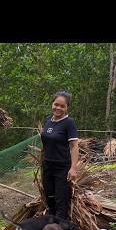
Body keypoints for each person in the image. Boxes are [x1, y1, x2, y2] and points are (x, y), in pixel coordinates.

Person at [40, 90, 80, 221]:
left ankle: (59, 228)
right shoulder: (48, 120)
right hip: (47, 165)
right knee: (49, 195)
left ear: (67, 107)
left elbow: (74, 146)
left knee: (60, 198)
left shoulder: (69, 123)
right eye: (56, 104)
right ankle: (51, 223)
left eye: (62, 106)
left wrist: (73, 168)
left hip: (62, 167)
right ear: (52, 103)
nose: (58, 108)